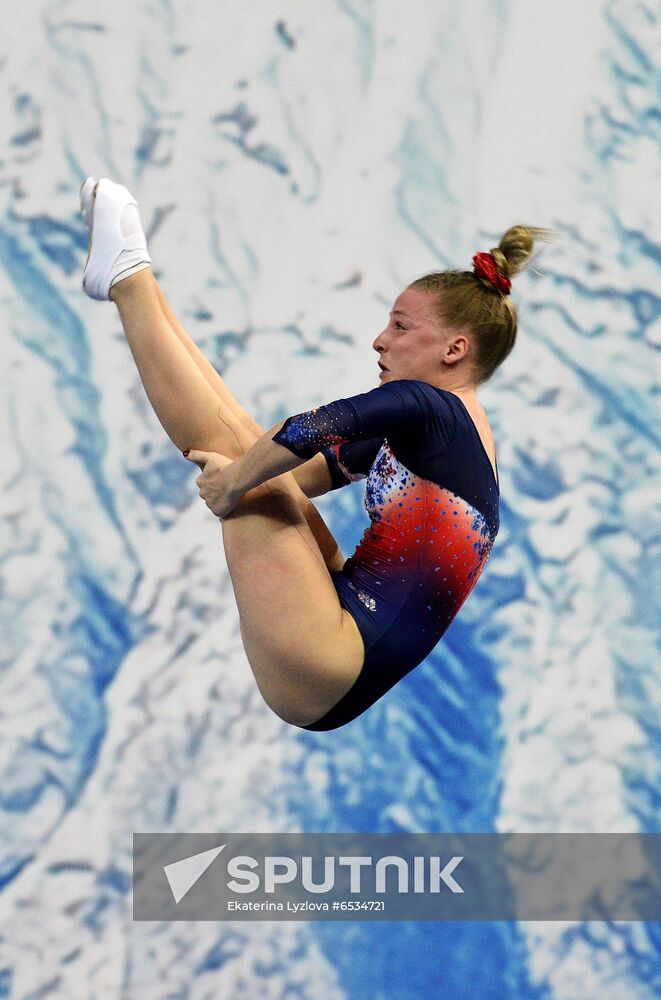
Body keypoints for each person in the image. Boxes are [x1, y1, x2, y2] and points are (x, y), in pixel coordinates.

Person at [80, 176, 552, 731]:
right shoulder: (451, 435)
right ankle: (132, 276)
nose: (380, 340)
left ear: (454, 349)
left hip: (330, 658)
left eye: (401, 327)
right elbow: (300, 471)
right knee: (244, 447)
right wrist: (248, 475)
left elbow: (309, 430)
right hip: (339, 649)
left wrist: (233, 486)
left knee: (243, 462)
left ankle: (128, 279)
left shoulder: (429, 406)